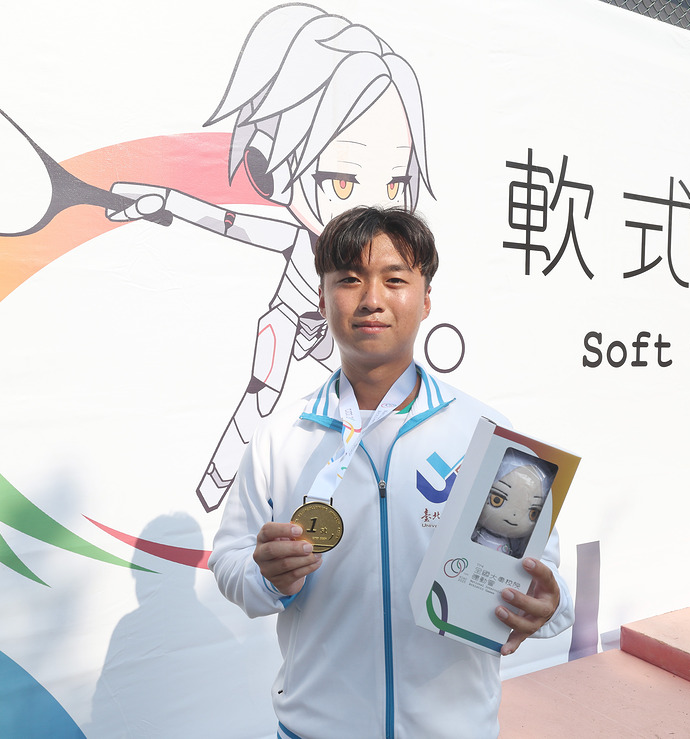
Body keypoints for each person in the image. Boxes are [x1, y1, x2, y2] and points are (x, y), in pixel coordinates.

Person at [209, 206, 573, 739]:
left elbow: (541, 567)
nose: (372, 299)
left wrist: (547, 603)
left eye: (395, 280)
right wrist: (266, 576)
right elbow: (229, 561)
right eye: (349, 280)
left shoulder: (485, 433)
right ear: (322, 298)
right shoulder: (281, 436)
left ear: (425, 300)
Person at [108, 4, 433, 513]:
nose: (368, 205)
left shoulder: (456, 419)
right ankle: (214, 490)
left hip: (330, 337)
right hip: (288, 319)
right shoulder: (297, 239)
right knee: (262, 394)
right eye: (341, 182)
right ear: (270, 168)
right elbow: (227, 220)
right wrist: (165, 200)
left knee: (370, 402)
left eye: (394, 183)